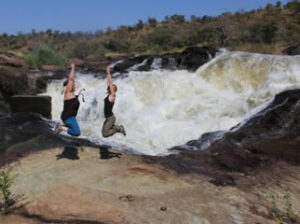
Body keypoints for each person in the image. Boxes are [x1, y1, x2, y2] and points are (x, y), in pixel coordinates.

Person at [55, 63, 81, 136]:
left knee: (76, 131)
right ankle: (61, 127)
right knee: (77, 133)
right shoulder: (68, 93)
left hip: (71, 117)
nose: (74, 85)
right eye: (73, 84)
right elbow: (71, 79)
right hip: (68, 117)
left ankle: (61, 127)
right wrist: (73, 68)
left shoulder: (72, 94)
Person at [102, 65, 126, 137]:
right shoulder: (109, 95)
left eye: (112, 88)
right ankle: (116, 127)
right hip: (108, 118)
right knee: (103, 131)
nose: (110, 88)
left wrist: (109, 73)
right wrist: (107, 74)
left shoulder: (112, 96)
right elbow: (108, 84)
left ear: (114, 90)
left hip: (110, 118)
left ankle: (118, 128)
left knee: (105, 134)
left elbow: (110, 84)